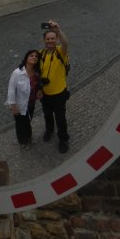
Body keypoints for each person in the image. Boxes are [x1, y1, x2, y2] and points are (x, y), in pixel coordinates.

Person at [39, 20, 71, 153]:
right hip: (45, 94)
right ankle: (49, 130)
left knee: (60, 118)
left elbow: (66, 43)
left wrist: (58, 30)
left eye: (53, 38)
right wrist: (39, 89)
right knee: (47, 115)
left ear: (56, 39)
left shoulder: (60, 51)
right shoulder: (41, 54)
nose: (50, 41)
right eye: (48, 39)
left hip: (59, 93)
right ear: (44, 41)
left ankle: (63, 139)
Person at [6, 49, 41, 147]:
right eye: (31, 55)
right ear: (26, 58)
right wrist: (13, 106)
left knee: (28, 121)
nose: (34, 57)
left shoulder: (37, 72)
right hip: (19, 104)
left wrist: (39, 90)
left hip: (31, 103)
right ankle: (22, 141)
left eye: (36, 56)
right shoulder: (17, 73)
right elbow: (11, 89)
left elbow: (38, 84)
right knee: (20, 124)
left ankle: (28, 137)